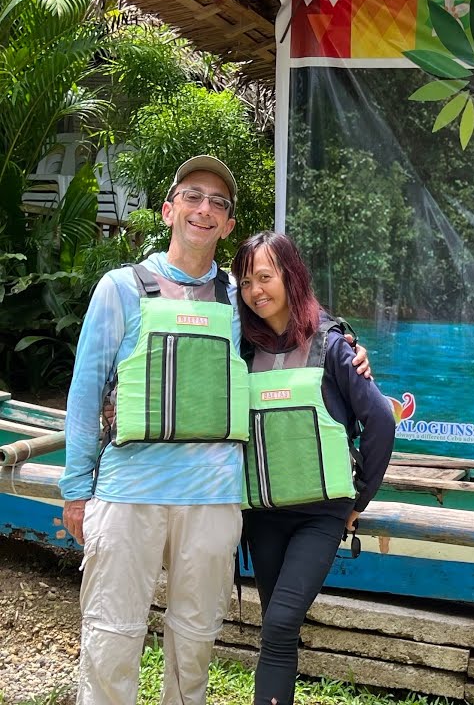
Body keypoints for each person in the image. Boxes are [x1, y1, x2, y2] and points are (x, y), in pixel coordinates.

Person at [59, 155, 371, 705]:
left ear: (228, 225)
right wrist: (76, 490)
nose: (205, 209)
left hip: (213, 503)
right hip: (128, 493)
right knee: (111, 641)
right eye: (193, 196)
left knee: (195, 647)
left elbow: (299, 333)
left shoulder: (240, 300)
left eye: (219, 203)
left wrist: (349, 347)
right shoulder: (120, 288)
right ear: (168, 209)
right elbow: (86, 391)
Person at [231, 231, 394, 705]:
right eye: (246, 282)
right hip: (262, 513)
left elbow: (381, 420)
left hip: (321, 514)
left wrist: (357, 499)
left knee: (281, 623)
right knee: (275, 629)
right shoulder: (242, 346)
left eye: (266, 277)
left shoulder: (332, 343)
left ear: (291, 276)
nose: (256, 290)